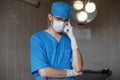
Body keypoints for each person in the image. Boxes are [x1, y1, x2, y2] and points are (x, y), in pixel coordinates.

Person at [30, 1, 83, 80]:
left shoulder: (69, 40)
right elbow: (44, 71)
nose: (62, 23)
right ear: (50, 17)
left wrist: (73, 39)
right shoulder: (37, 38)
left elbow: (78, 68)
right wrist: (70, 73)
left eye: (65, 20)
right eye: (58, 19)